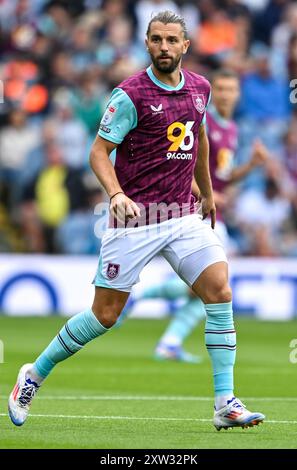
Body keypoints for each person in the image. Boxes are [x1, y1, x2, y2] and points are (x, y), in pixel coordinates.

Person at [8, 11, 265, 431]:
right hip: (136, 219)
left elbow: (197, 137)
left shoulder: (200, 89)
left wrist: (206, 188)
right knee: (104, 317)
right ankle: (33, 374)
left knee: (219, 291)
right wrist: (116, 194)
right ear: (147, 44)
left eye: (171, 40)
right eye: (156, 39)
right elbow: (97, 151)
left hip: (182, 214)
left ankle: (225, 402)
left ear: (185, 45)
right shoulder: (130, 95)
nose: (164, 47)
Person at [149, 68, 269, 363]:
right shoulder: (202, 120)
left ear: (239, 94)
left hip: (217, 211)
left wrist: (251, 165)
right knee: (209, 285)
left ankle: (170, 342)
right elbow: (182, 165)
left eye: (232, 89)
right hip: (196, 210)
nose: (227, 94)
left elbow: (224, 176)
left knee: (209, 290)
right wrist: (205, 193)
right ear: (214, 92)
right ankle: (137, 298)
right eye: (222, 89)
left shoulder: (232, 129)